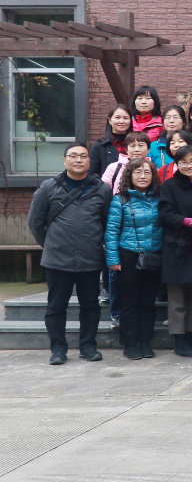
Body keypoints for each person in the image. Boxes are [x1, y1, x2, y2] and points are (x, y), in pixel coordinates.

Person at [28, 142, 109, 365]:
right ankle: (58, 349)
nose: (78, 160)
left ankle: (88, 346)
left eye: (83, 156)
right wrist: (50, 244)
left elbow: (105, 222)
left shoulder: (101, 189)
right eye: (73, 156)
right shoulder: (48, 187)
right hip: (57, 259)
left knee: (90, 305)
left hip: (90, 258)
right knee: (56, 307)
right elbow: (35, 222)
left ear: (89, 161)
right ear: (64, 160)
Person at [106, 158, 163, 360]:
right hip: (128, 254)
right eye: (137, 172)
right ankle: (130, 343)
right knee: (130, 301)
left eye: (147, 172)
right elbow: (111, 231)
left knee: (148, 301)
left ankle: (146, 341)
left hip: (153, 255)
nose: (142, 176)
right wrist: (113, 259)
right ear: (129, 176)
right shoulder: (120, 200)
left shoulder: (159, 198)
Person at [158, 144, 192, 358]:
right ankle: (179, 338)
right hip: (177, 247)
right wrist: (190, 222)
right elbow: (165, 214)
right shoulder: (169, 186)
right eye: (183, 162)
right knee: (178, 296)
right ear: (177, 164)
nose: (188, 166)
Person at [89, 105, 132, 178]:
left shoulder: (135, 144)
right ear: (109, 120)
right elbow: (90, 173)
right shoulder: (99, 146)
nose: (121, 121)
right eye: (117, 117)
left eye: (125, 118)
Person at [149, 105, 187, 170]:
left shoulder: (190, 142)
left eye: (175, 117)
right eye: (168, 117)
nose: (171, 121)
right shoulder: (154, 146)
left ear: (184, 122)